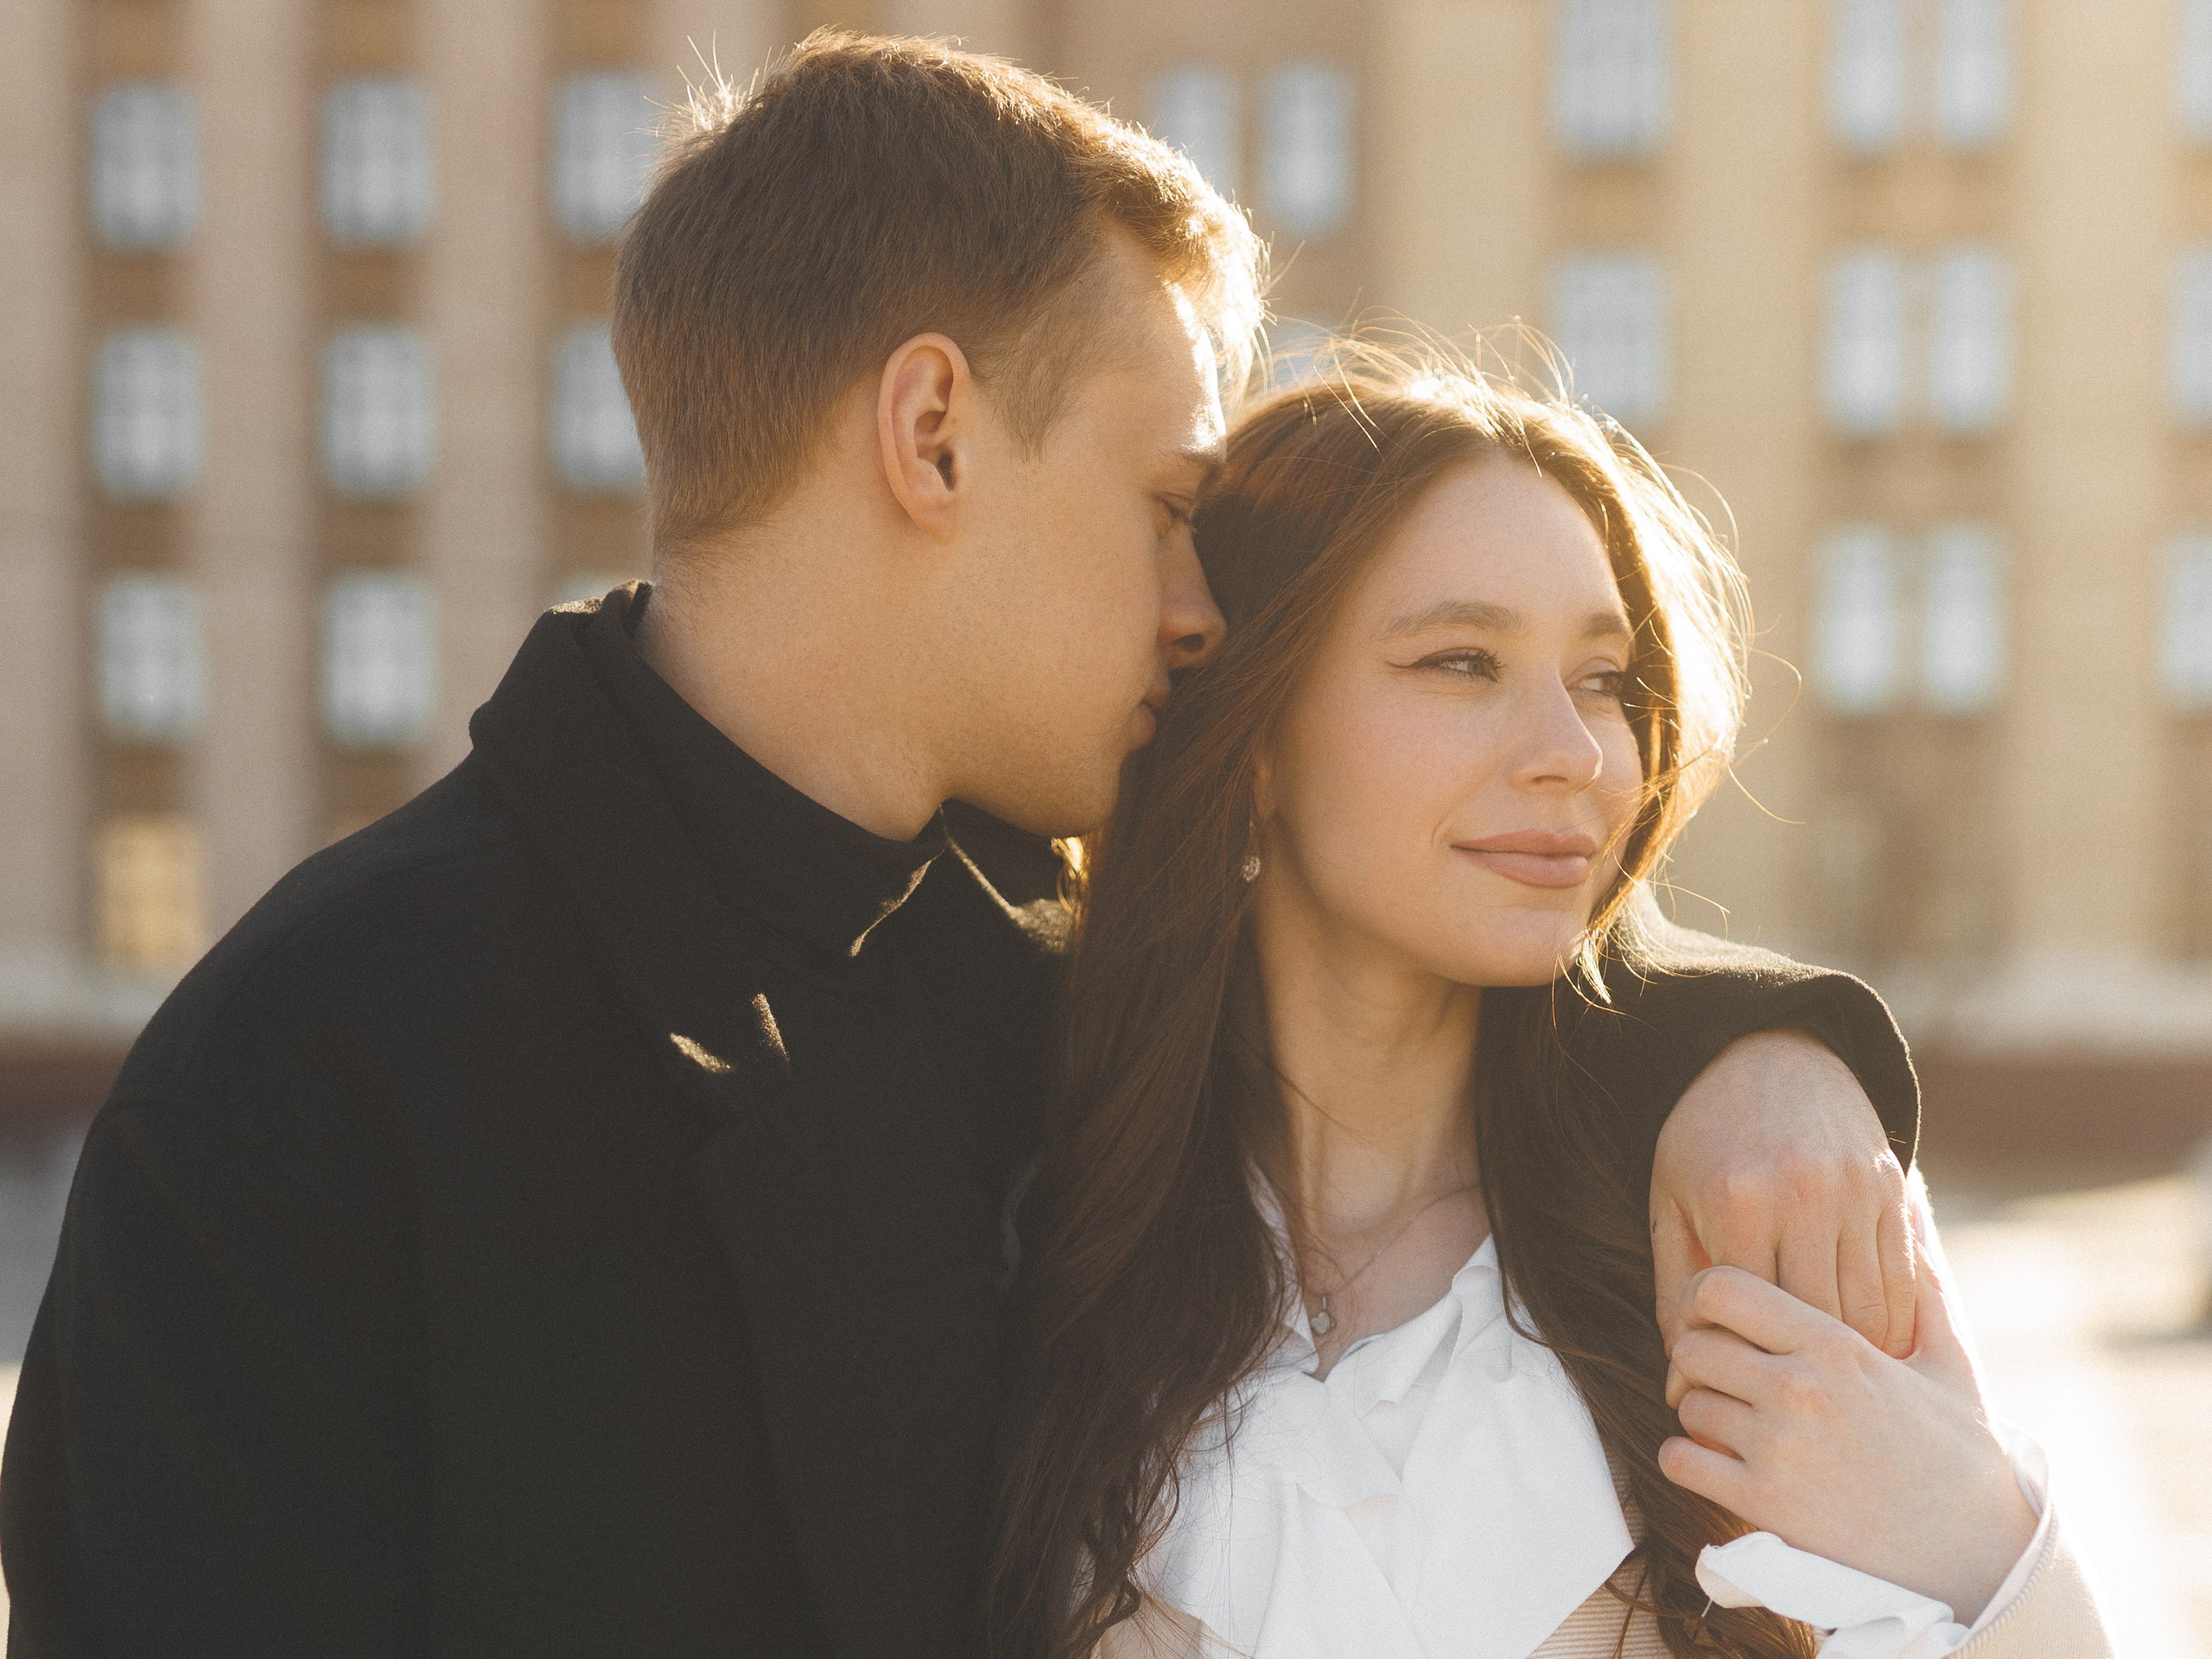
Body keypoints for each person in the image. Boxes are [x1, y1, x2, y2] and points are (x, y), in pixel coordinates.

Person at [6, 36, 1916, 1659]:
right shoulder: (306, 1071)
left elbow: (1423, 934)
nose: (1200, 603)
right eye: (1169, 501)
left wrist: (1765, 1052)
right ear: (929, 435)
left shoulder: (1029, 969)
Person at [987, 357, 2111, 1659]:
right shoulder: (1024, 1236)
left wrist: (1982, 1533)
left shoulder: (1732, 1254)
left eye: (1601, 680)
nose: (1575, 756)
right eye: (1462, 662)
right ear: (1253, 736)